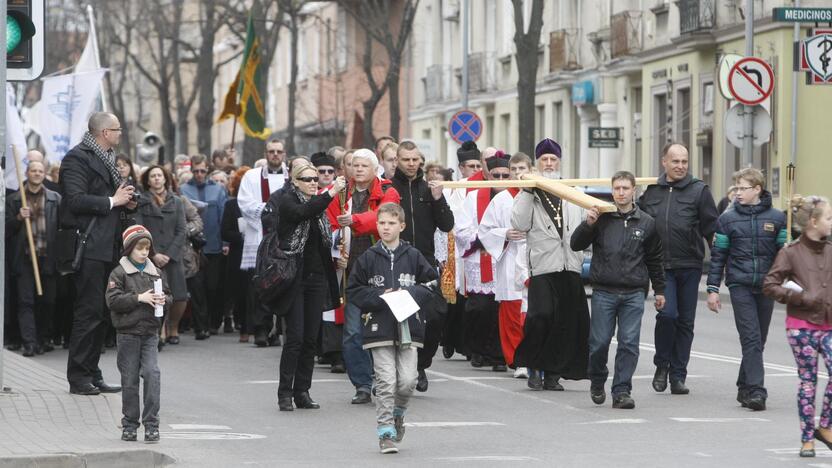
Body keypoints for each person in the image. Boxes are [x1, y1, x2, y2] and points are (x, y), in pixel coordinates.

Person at [346, 203, 441, 454]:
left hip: (409, 326)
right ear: (376, 226)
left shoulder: (413, 256)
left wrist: (409, 294)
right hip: (378, 328)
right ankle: (385, 432)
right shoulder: (368, 257)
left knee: (408, 381)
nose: (386, 228)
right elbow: (353, 290)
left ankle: (398, 413)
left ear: (402, 226)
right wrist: (380, 296)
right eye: (382, 223)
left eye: (391, 223)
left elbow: (432, 282)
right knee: (386, 381)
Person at [571, 171, 666, 409]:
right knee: (599, 342)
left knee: (628, 343)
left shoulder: (646, 222)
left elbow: (655, 258)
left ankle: (622, 390)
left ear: (634, 190)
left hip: (634, 292)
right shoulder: (601, 218)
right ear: (612, 191)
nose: (621, 193)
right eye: (617, 189)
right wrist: (588, 224)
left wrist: (660, 290)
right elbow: (576, 244)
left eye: (625, 188)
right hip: (604, 290)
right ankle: (597, 378)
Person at [638, 142, 719, 395]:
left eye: (684, 161)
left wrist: (719, 268)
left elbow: (712, 231)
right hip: (661, 267)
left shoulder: (699, 191)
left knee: (685, 322)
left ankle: (678, 375)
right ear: (664, 162)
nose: (681, 166)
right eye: (675, 161)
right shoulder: (652, 191)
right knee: (667, 315)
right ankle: (662, 365)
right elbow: (637, 224)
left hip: (690, 265)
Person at [706, 168, 787, 410]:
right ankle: (756, 391)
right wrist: (712, 289)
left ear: (757, 190)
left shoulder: (777, 218)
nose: (737, 193)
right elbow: (718, 256)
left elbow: (784, 254)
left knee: (758, 340)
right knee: (750, 338)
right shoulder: (727, 220)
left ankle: (744, 384)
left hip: (767, 285)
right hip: (739, 284)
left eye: (743, 188)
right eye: (736, 188)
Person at [60, 111, 130, 395]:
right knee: (88, 312)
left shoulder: (108, 159)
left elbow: (111, 201)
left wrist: (126, 202)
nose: (120, 133)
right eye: (117, 129)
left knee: (102, 313)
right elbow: (75, 200)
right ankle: (78, 377)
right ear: (104, 133)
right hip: (88, 247)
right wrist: (114, 200)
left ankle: (92, 372)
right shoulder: (77, 158)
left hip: (107, 246)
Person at [511, 138, 589, 391]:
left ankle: (554, 373)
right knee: (541, 316)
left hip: (570, 265)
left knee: (564, 322)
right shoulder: (530, 192)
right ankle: (534, 365)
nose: (548, 163)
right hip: (544, 265)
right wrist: (526, 191)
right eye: (544, 159)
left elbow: (585, 223)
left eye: (552, 159)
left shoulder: (572, 189)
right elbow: (520, 224)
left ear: (559, 162)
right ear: (536, 163)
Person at [326, 149, 400, 404]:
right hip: (351, 270)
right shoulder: (342, 192)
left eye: (363, 165)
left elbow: (383, 218)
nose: (358, 170)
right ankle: (362, 384)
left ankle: (385, 379)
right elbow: (330, 222)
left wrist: (353, 221)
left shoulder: (388, 190)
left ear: (374, 168)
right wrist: (338, 245)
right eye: (354, 165)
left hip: (381, 268)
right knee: (353, 331)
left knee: (385, 329)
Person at [763, 195, 832, 458]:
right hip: (801, 325)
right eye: (828, 218)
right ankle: (807, 439)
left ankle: (825, 426)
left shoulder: (830, 251)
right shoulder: (790, 252)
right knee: (808, 381)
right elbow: (770, 285)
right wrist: (801, 297)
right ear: (814, 222)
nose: (831, 222)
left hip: (828, 324)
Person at [273, 164, 346, 411]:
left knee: (310, 339)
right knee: (295, 337)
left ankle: (302, 391)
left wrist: (337, 259)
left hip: (316, 278)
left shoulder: (318, 207)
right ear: (295, 181)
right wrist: (330, 193)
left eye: (316, 179)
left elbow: (323, 241)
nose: (314, 182)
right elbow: (302, 213)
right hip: (293, 277)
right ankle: (285, 393)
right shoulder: (288, 201)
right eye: (307, 179)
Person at [391, 141, 454, 392]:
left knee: (436, 315)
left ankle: (420, 365)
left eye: (415, 159)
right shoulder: (389, 188)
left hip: (425, 262)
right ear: (397, 160)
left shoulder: (429, 189)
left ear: (421, 161)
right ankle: (393, 371)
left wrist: (438, 200)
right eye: (406, 159)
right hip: (396, 260)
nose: (411, 164)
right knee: (397, 319)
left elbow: (447, 224)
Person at [106, 225, 170, 443]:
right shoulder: (119, 272)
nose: (144, 252)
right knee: (130, 380)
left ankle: (152, 424)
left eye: (147, 248)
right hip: (128, 334)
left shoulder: (156, 272)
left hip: (150, 333)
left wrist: (164, 300)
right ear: (129, 249)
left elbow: (169, 295)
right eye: (140, 248)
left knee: (152, 374)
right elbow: (113, 300)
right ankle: (130, 424)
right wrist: (138, 298)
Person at [455, 152, 513, 373]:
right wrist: (487, 237)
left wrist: (498, 235)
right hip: (480, 259)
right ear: (488, 174)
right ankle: (478, 350)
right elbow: (461, 229)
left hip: (505, 259)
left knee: (500, 308)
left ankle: (498, 355)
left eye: (504, 176)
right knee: (479, 308)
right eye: (495, 175)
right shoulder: (474, 197)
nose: (499, 180)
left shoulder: (514, 198)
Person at [478, 153, 532, 379]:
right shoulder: (500, 200)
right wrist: (505, 234)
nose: (518, 173)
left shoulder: (539, 195)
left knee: (533, 313)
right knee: (512, 313)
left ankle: (534, 356)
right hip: (510, 260)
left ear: (531, 169)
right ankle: (518, 359)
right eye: (515, 169)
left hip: (535, 258)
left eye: (523, 168)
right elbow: (484, 231)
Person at [6, 160, 61, 356]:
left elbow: (61, 229)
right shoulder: (14, 200)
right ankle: (29, 343)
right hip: (24, 259)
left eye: (40, 171)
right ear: (27, 173)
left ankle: (42, 339)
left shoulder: (55, 199)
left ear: (44, 174)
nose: (37, 174)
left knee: (47, 302)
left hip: (47, 257)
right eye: (33, 170)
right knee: (25, 302)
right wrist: (18, 219)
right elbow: (5, 231)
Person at [237, 139, 288, 346]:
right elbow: (245, 203)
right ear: (265, 154)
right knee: (260, 284)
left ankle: (277, 331)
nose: (275, 154)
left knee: (282, 284)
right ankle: (260, 328)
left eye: (279, 151)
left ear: (284, 154)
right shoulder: (251, 176)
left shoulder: (291, 176)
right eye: (271, 151)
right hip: (260, 236)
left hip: (286, 239)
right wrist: (270, 210)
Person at [135, 166, 188, 343]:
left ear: (165, 179)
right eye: (153, 176)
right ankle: (160, 329)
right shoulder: (141, 202)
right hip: (150, 256)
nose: (157, 178)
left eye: (160, 175)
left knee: (179, 295)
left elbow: (182, 230)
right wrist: (153, 254)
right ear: (147, 181)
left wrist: (169, 254)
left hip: (173, 256)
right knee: (156, 294)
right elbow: (140, 231)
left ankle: (173, 327)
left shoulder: (177, 201)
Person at [442, 141, 483, 360]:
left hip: (475, 245)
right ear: (461, 168)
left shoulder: (483, 189)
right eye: (471, 166)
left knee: (473, 299)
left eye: (478, 166)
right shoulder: (453, 189)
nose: (476, 170)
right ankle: (450, 339)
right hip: (454, 246)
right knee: (455, 297)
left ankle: (469, 345)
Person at [180, 154, 229, 335]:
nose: (199, 174)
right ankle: (201, 326)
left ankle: (213, 321)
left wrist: (225, 242)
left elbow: (223, 217)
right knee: (197, 287)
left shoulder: (217, 190)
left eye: (202, 171)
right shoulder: (183, 189)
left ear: (207, 170)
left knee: (213, 286)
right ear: (191, 170)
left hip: (214, 244)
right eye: (196, 171)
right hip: (192, 245)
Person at [221, 166, 251, 342]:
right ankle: (243, 325)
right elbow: (224, 232)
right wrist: (241, 236)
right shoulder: (231, 205)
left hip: (258, 252)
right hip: (238, 253)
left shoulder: (261, 203)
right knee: (241, 291)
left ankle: (258, 326)